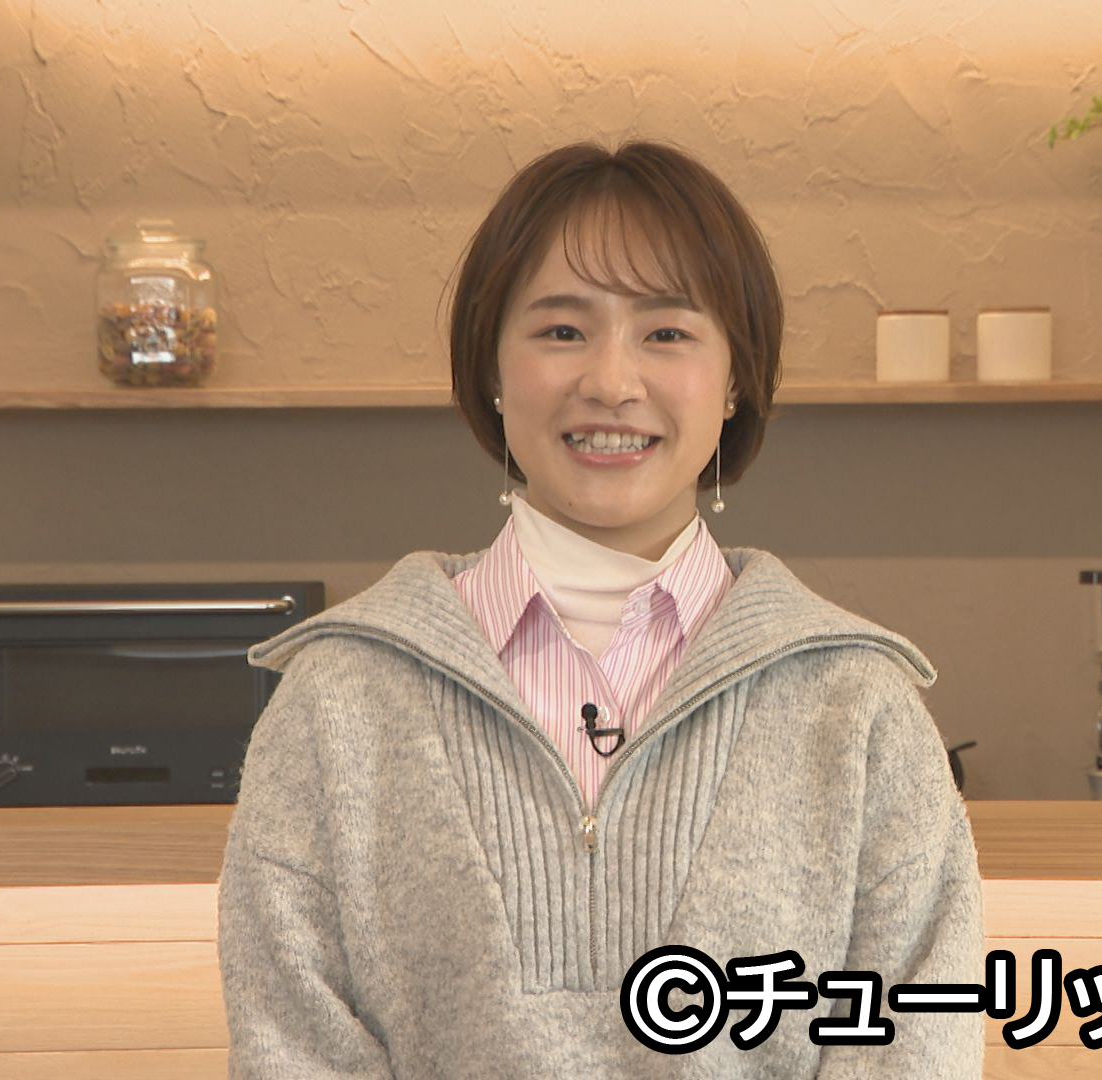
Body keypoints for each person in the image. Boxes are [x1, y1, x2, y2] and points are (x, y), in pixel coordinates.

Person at [218, 140, 983, 1078]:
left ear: (735, 380)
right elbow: (292, 1050)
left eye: (667, 333)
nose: (613, 383)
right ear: (492, 368)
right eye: (561, 330)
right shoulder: (337, 701)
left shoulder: (859, 706)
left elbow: (913, 1048)